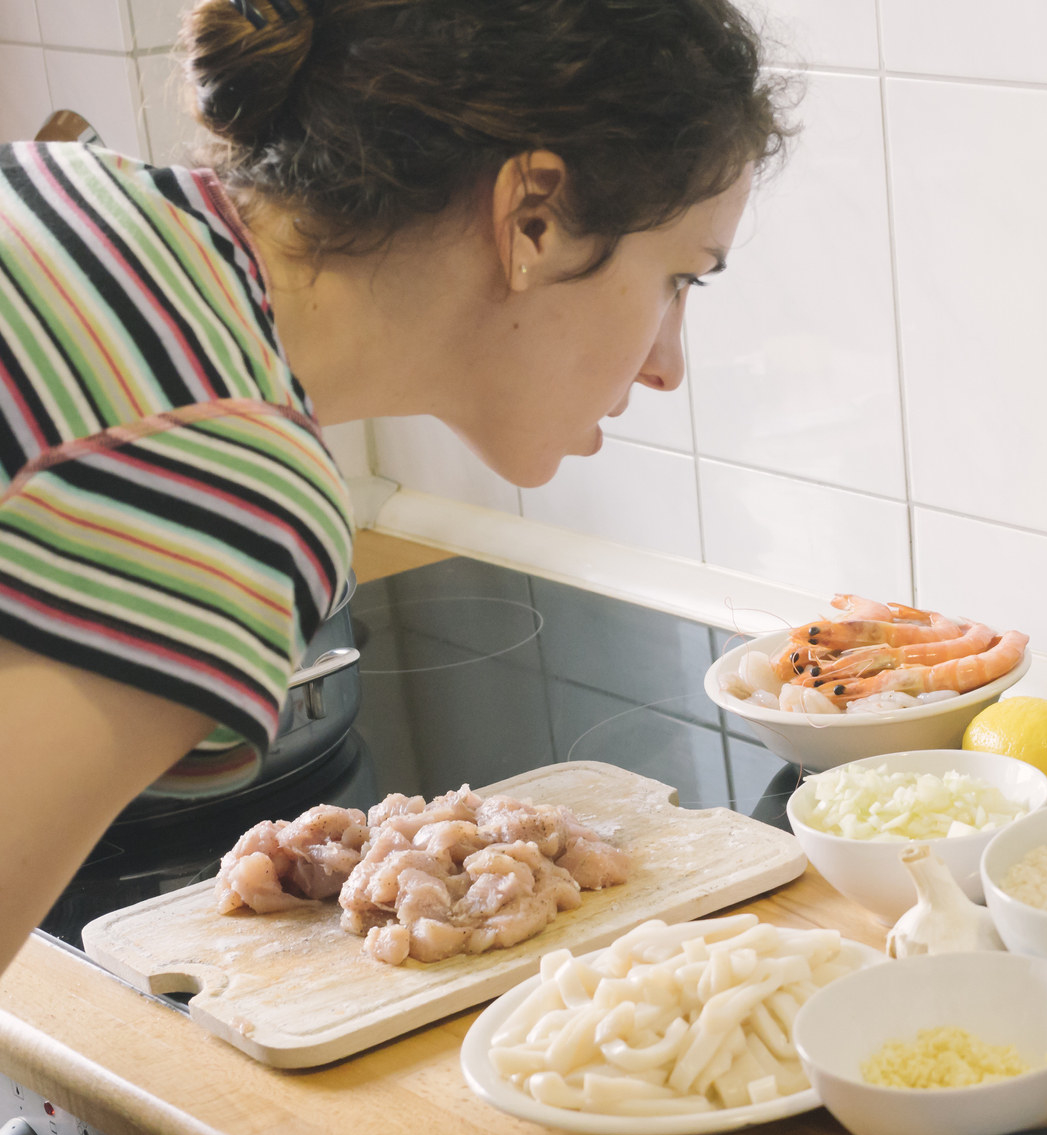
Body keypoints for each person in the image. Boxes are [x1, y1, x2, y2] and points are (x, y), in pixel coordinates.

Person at [0, 0, 787, 970]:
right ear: (530, 214)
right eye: (680, 277)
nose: (669, 365)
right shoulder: (224, 470)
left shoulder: (66, 192)